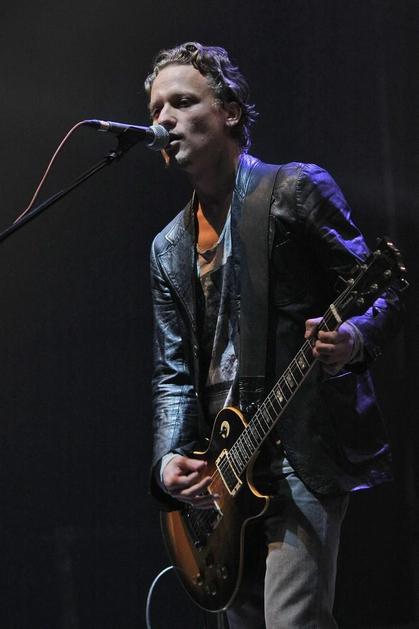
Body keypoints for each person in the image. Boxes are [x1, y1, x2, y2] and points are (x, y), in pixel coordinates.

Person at [146, 42, 404, 629]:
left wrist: (354, 338)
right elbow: (172, 375)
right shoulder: (166, 247)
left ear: (229, 111)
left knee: (291, 620)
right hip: (225, 469)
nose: (164, 119)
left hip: (300, 442)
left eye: (182, 102)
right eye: (157, 108)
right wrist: (168, 461)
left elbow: (386, 290)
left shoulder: (293, 189)